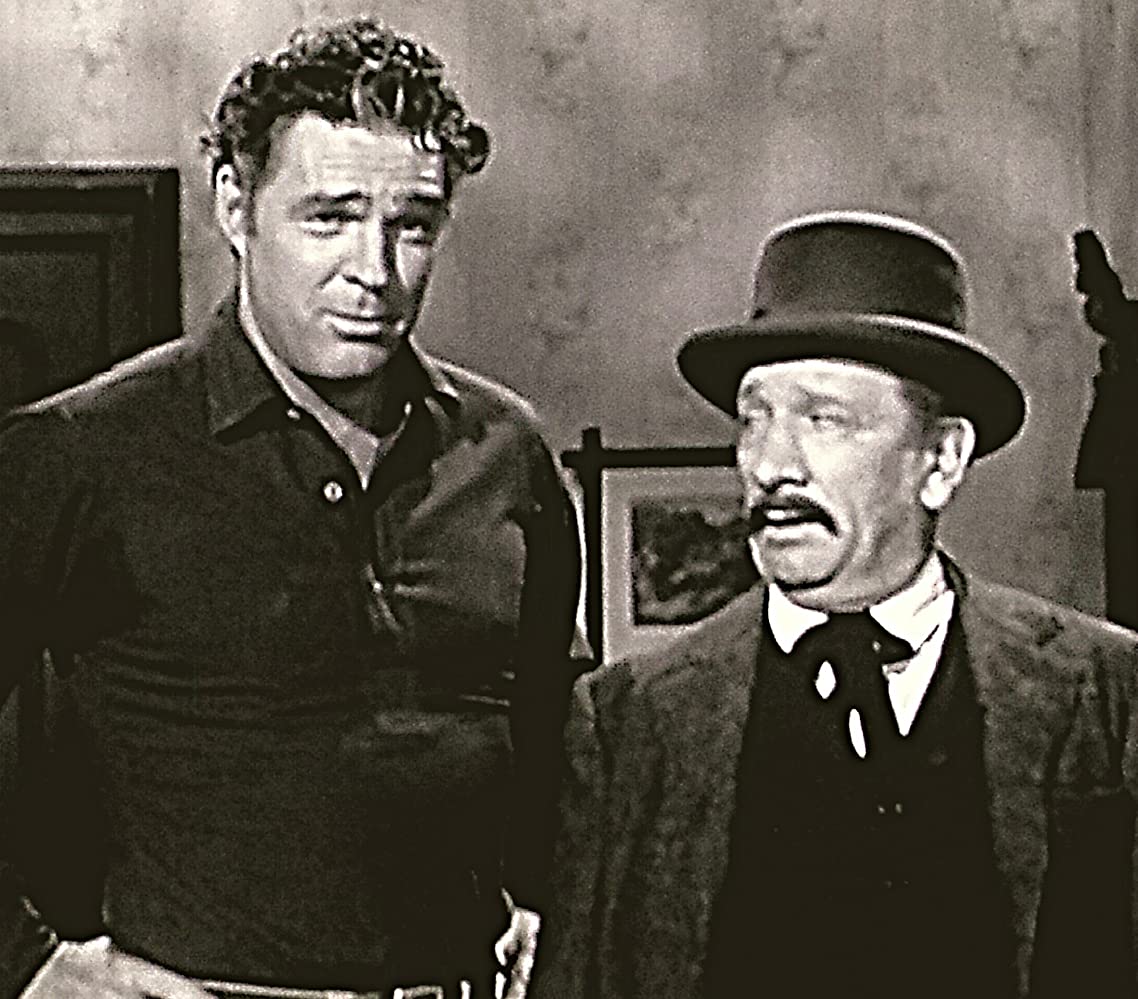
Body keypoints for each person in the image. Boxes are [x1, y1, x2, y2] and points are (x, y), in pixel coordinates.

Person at [0, 17, 581, 999]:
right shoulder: (85, 452)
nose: (374, 271)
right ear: (236, 206)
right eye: (329, 218)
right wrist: (28, 963)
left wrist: (541, 894)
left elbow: (556, 732)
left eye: (412, 225)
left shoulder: (504, 450)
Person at [535, 211, 1138, 999]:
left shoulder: (1104, 695)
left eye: (823, 418)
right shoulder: (630, 724)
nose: (770, 465)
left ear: (942, 458)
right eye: (754, 418)